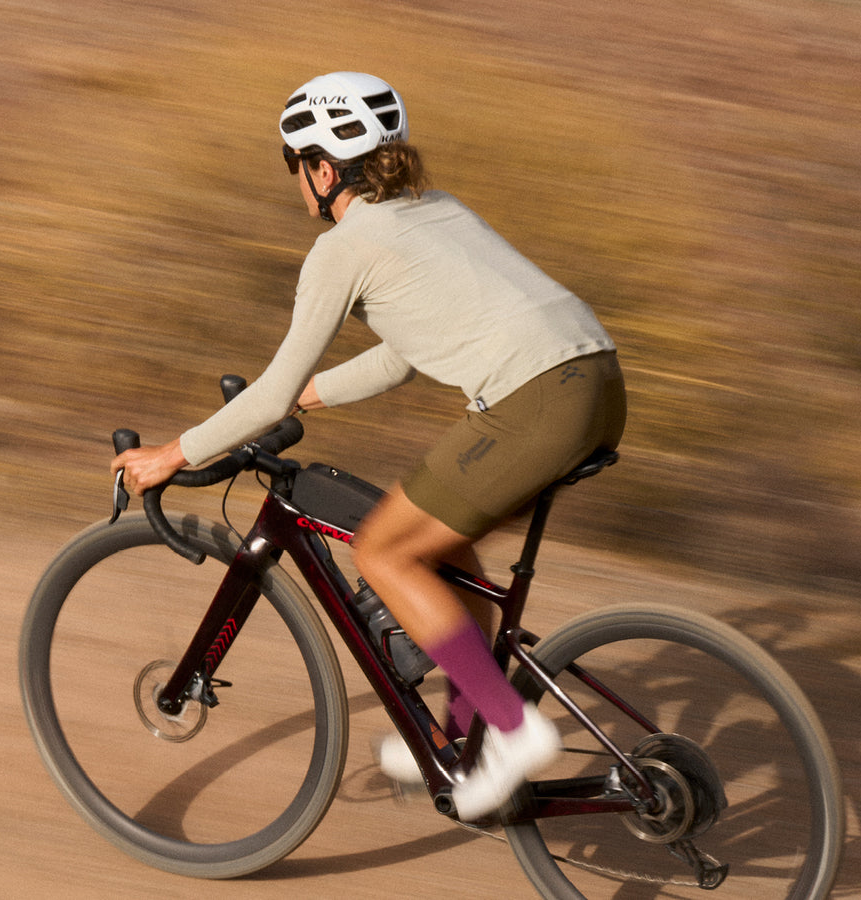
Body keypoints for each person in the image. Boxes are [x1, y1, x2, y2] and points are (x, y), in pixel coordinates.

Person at [111, 71, 627, 820]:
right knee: (447, 554)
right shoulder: (435, 210)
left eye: (296, 165)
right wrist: (313, 398)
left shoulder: (343, 248)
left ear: (322, 169)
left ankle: (510, 730)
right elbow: (399, 355)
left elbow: (268, 393)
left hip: (533, 402)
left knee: (385, 551)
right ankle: (467, 739)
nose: (298, 182)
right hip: (599, 381)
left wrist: (171, 454)